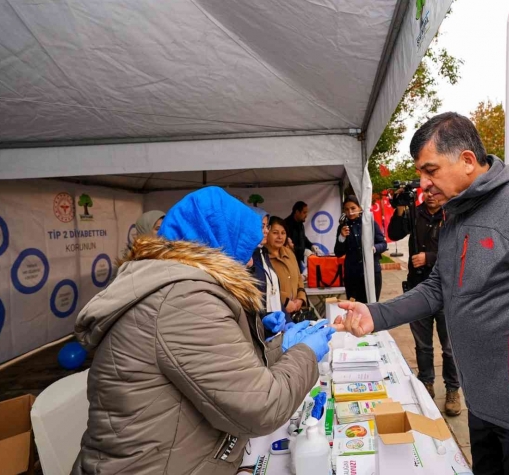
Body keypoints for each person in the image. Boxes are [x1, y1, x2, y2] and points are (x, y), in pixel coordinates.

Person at [334, 112, 509, 475]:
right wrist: (376, 315)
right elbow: (438, 286)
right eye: (420, 173)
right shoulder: (456, 216)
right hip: (481, 409)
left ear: (466, 160)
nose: (423, 183)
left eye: (430, 170)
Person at [72, 187, 334, 475]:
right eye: (245, 250)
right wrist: (305, 353)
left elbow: (223, 368)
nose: (249, 263)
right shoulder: (183, 300)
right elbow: (262, 407)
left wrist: (279, 346)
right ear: (216, 243)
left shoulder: (175, 286)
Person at [388, 190, 461, 416]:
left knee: (450, 347)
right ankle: (426, 384)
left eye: (434, 191)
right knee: (423, 345)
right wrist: (399, 208)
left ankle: (452, 389)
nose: (430, 195)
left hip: (447, 291)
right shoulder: (414, 213)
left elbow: (460, 250)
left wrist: (429, 258)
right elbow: (394, 233)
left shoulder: (453, 214)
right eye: (426, 192)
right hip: (418, 288)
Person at [334, 196, 388, 302]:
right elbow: (338, 253)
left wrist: (374, 249)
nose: (350, 212)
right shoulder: (343, 226)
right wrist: (342, 237)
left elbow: (383, 243)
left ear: (360, 208)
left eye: (353, 208)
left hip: (372, 272)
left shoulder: (369, 223)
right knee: (354, 307)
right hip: (352, 275)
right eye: (346, 209)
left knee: (371, 306)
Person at [266, 216, 308, 321]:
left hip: (297, 312)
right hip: (276, 314)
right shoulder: (262, 257)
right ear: (267, 233)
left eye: (283, 233)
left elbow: (299, 278)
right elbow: (264, 286)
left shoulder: (289, 252)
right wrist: (285, 301)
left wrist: (300, 299)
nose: (280, 237)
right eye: (275, 233)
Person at [249, 208, 282, 314]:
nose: (266, 231)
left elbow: (274, 292)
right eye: (262, 226)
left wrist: (286, 320)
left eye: (267, 226)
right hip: (258, 325)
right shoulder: (246, 258)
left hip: (272, 325)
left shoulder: (262, 253)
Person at [285, 201, 315, 268]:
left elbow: (303, 238)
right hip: (289, 260)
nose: (306, 215)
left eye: (307, 212)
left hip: (298, 260)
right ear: (297, 212)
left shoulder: (300, 224)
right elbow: (286, 245)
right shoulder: (286, 225)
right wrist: (303, 251)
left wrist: (311, 246)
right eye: (304, 212)